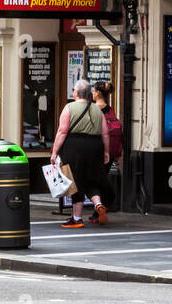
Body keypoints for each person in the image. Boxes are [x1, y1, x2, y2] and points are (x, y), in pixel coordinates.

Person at [50, 79, 111, 228]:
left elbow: (62, 131)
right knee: (92, 178)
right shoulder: (98, 109)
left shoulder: (69, 107)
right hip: (95, 146)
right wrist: (107, 151)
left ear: (76, 93)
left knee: (75, 180)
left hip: (74, 146)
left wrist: (55, 152)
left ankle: (76, 218)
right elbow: (106, 133)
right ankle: (98, 204)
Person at [88, 81, 122, 221]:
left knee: (92, 181)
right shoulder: (110, 109)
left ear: (98, 93)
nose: (92, 93)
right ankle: (100, 209)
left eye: (94, 91)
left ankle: (98, 207)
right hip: (110, 152)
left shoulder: (93, 109)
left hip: (96, 149)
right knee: (102, 179)